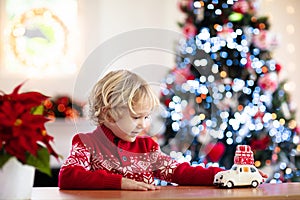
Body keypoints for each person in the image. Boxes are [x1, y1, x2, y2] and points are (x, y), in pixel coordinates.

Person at [58, 69, 266, 190]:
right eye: (136, 117)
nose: (143, 124)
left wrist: (224, 175)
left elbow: (180, 172)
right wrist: (121, 183)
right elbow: (67, 176)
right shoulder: (86, 144)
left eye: (146, 117)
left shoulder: (146, 148)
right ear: (108, 114)